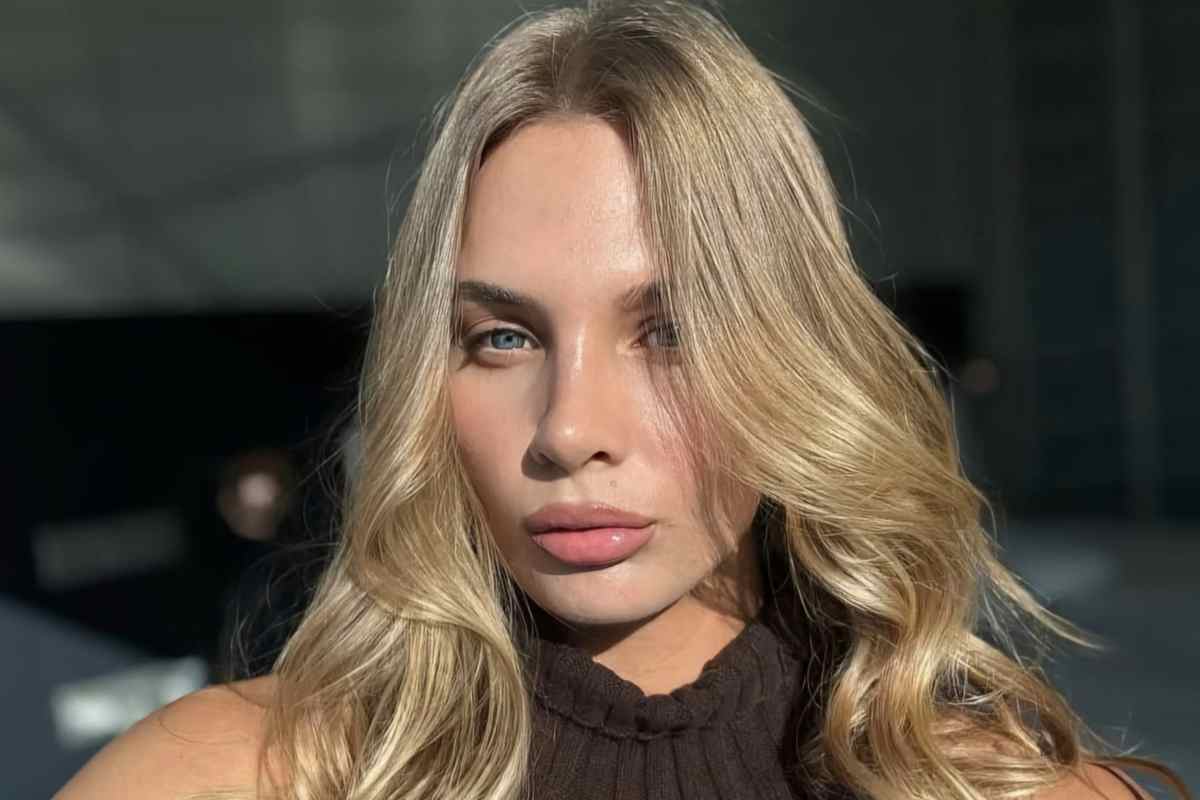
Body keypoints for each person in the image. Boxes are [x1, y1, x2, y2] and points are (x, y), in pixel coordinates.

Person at [55, 2, 1192, 799]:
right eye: (502, 337)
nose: (569, 431)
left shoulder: (1019, 792)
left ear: (797, 357)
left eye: (671, 331)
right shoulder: (223, 775)